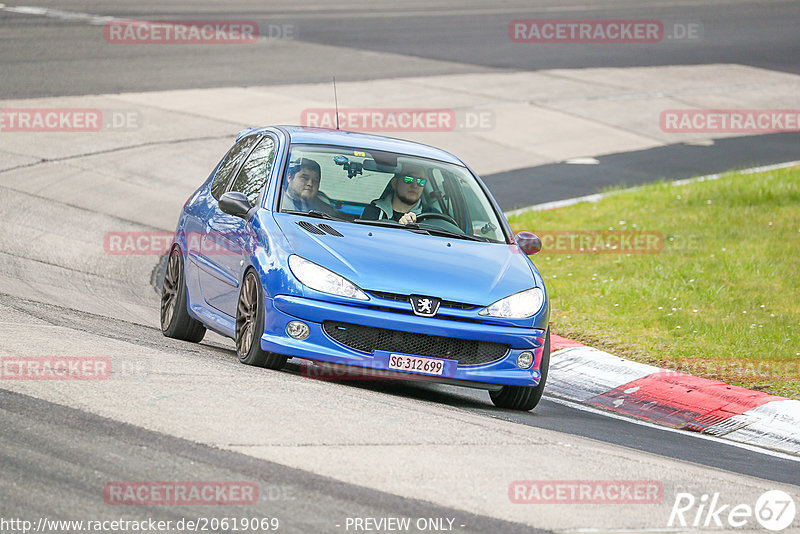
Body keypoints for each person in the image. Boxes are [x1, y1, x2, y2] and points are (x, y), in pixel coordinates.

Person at [360, 164, 430, 224]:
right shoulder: (374, 211)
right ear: (394, 183)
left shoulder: (430, 216)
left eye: (421, 181)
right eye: (408, 179)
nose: (415, 185)